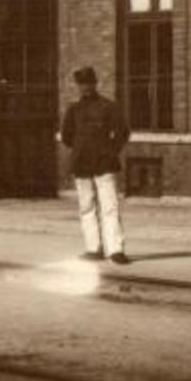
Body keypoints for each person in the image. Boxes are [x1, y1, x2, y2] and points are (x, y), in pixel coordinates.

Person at [60, 65, 130, 264]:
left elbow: (123, 133)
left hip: (104, 163)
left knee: (110, 206)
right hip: (82, 164)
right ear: (78, 86)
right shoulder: (73, 110)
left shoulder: (109, 107)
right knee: (86, 207)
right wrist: (82, 149)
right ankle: (93, 248)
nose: (86, 88)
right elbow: (66, 136)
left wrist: (110, 152)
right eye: (82, 84)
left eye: (89, 83)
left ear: (95, 83)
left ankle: (115, 250)